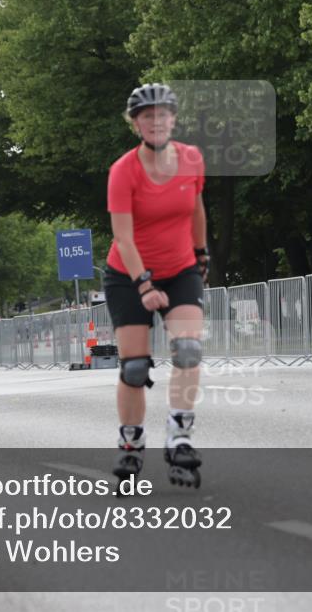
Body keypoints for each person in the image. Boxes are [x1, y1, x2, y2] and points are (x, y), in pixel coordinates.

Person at [103, 83, 210, 492]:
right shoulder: (123, 171)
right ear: (136, 125)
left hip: (180, 266)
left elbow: (196, 207)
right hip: (128, 272)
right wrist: (144, 284)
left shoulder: (191, 159)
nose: (156, 120)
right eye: (147, 115)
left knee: (188, 349)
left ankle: (179, 435)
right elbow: (124, 238)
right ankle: (131, 442)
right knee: (134, 367)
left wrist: (201, 255)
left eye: (163, 113)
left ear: (174, 119)